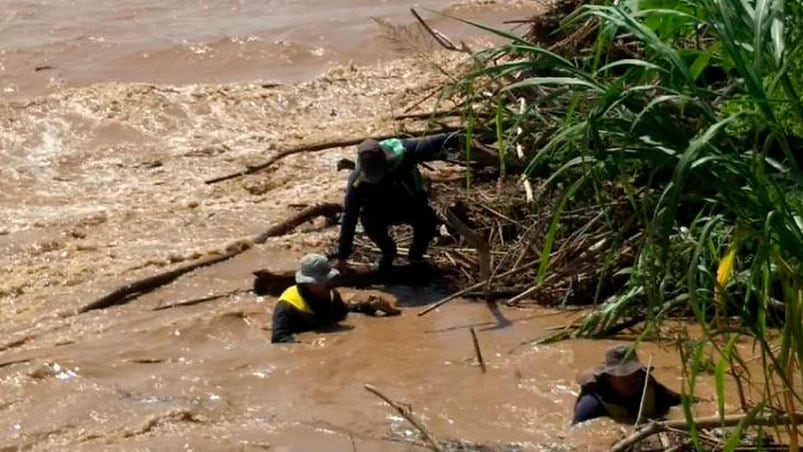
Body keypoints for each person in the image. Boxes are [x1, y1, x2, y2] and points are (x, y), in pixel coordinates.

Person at [334, 133, 462, 271]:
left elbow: (442, 141)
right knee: (367, 221)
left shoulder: (406, 154)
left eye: (377, 173)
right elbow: (349, 217)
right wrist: (342, 257)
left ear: (386, 162)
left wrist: (469, 139)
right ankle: (388, 251)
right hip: (379, 210)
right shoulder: (357, 181)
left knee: (428, 221)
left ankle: (416, 257)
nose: (374, 178)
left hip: (411, 204)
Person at [271, 253, 401, 343]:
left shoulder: (332, 294)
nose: (330, 283)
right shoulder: (287, 306)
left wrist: (374, 308)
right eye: (324, 281)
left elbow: (343, 312)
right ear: (309, 283)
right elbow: (279, 339)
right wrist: (310, 348)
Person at [572, 345, 682, 424]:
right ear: (609, 378)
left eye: (636, 375)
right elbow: (576, 435)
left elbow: (687, 402)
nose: (633, 381)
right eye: (625, 377)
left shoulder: (652, 389)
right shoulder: (591, 405)